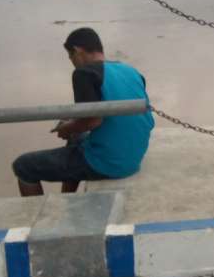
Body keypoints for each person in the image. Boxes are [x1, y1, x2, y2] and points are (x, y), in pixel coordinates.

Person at [12, 28, 154, 197]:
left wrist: (67, 128)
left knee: (23, 167)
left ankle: (39, 218)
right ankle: (67, 198)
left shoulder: (83, 74)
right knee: (75, 136)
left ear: (78, 51)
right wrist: (73, 123)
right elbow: (107, 106)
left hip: (108, 163)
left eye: (70, 56)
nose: (71, 61)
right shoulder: (130, 70)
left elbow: (93, 121)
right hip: (134, 156)